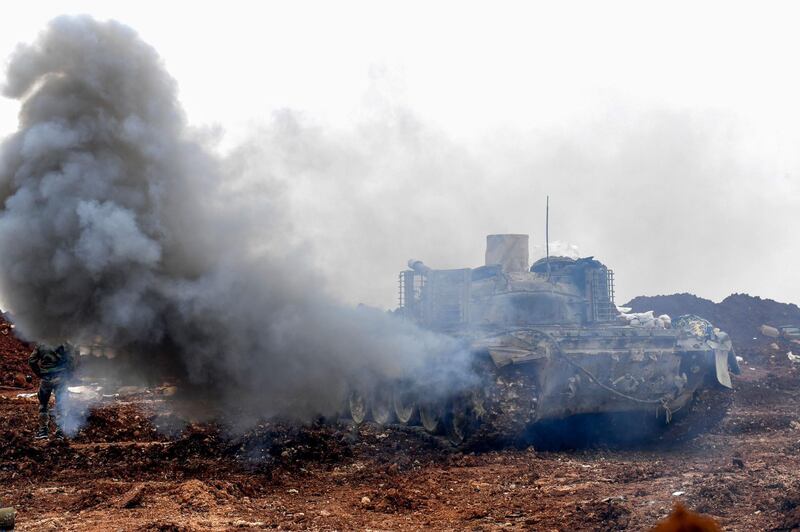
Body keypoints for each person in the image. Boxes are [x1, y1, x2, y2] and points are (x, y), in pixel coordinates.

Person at [28, 343, 77, 439]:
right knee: (61, 405)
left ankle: (43, 432)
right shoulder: (64, 343)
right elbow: (71, 360)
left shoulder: (41, 344)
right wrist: (68, 375)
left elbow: (31, 361)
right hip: (60, 378)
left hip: (46, 379)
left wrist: (40, 374)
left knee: (43, 405)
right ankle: (60, 432)